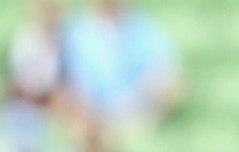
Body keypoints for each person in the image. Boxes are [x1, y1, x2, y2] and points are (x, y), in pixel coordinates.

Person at [58, 0, 183, 139]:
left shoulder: (146, 29)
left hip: (136, 115)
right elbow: (64, 82)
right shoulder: (74, 31)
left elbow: (169, 77)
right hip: (90, 115)